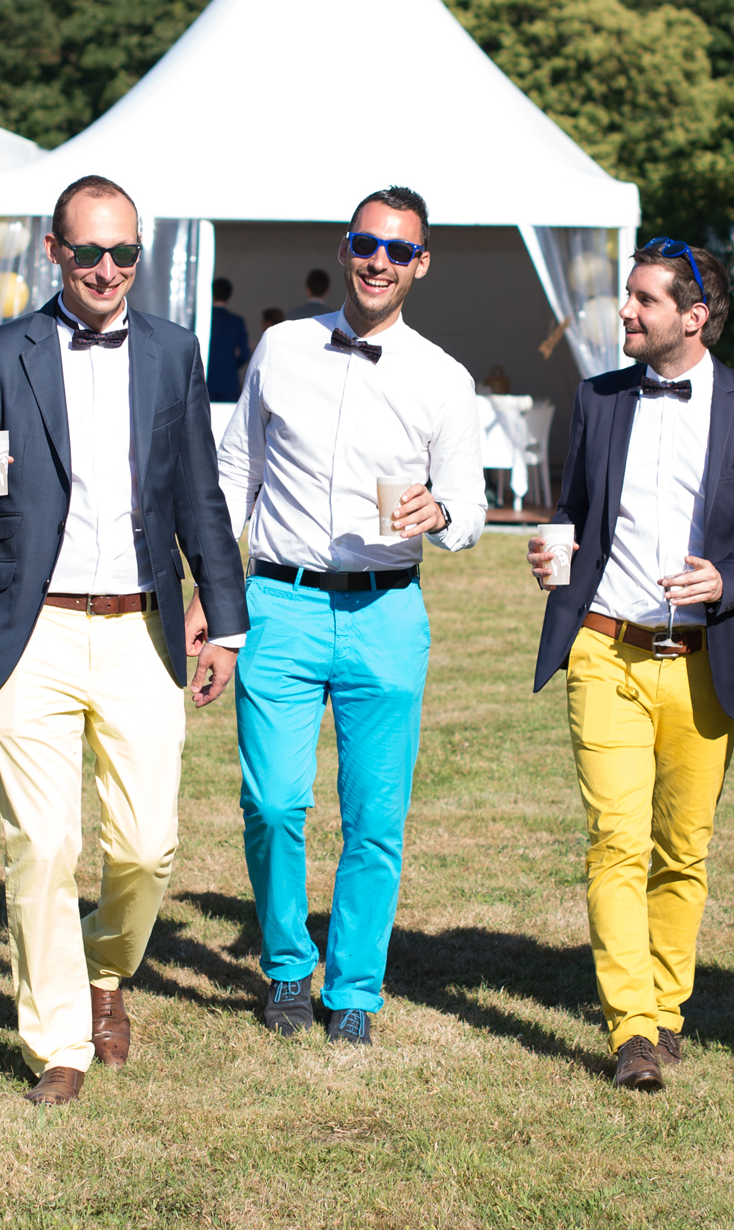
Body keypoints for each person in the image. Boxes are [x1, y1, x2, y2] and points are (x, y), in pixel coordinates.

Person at [0, 174, 249, 1106]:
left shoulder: (173, 349)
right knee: (41, 843)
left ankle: (106, 967)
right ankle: (59, 1042)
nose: (106, 269)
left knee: (147, 847)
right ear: (54, 251)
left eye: (124, 253)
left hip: (141, 627)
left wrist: (225, 622)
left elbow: (199, 492)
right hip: (31, 628)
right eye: (88, 252)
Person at [526, 239, 734, 1090]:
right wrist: (552, 552)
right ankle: (631, 1028)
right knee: (615, 841)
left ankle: (667, 1008)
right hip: (604, 647)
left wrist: (730, 579)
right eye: (628, 295)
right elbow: (576, 511)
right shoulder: (597, 397)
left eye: (643, 299)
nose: (625, 311)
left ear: (693, 316)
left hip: (704, 658)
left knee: (681, 847)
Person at [215, 185, 485, 1045]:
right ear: (344, 248)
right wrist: (212, 596)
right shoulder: (282, 346)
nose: (378, 261)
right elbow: (234, 474)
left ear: (420, 264)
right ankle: (287, 966)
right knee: (272, 803)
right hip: (279, 601)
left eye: (398, 250)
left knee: (374, 817)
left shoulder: (442, 377)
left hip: (386, 611)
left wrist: (439, 512)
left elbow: (470, 507)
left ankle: (356, 986)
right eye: (366, 243)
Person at [206, 275, 250, 401]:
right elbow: (245, 353)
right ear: (229, 295)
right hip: (229, 381)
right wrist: (231, 365)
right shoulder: (236, 321)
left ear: (212, 294)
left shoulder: (202, 319)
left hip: (205, 378)